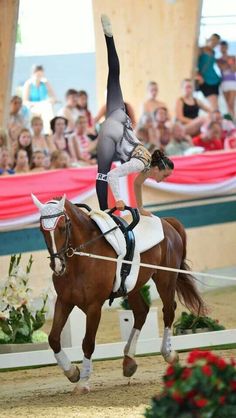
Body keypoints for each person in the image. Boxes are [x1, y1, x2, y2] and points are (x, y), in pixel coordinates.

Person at [96, 15, 173, 212]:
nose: (162, 181)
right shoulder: (141, 165)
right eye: (164, 176)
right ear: (157, 169)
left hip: (120, 116)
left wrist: (140, 208)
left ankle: (109, 38)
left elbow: (137, 184)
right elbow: (115, 175)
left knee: (114, 77)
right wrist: (119, 200)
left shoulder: (146, 165)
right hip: (113, 132)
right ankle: (104, 213)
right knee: (103, 175)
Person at [134, 150, 174, 216]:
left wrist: (141, 209)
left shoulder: (147, 168)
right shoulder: (143, 165)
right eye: (165, 175)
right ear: (156, 169)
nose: (165, 179)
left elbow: (137, 184)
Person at [23, 65, 56, 133]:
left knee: (48, 110)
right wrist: (33, 104)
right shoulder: (29, 84)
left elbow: (53, 97)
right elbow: (25, 101)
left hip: (44, 106)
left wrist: (50, 100)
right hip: (33, 106)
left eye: (41, 74)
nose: (39, 77)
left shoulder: (45, 83)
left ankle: (49, 132)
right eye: (37, 74)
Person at [196, 34, 221, 111]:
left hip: (215, 80)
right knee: (214, 107)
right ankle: (212, 121)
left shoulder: (213, 52)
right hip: (205, 80)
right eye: (213, 40)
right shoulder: (201, 49)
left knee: (215, 106)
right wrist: (198, 75)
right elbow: (194, 63)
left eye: (216, 42)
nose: (214, 43)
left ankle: (214, 121)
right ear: (210, 39)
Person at [217, 41, 236, 119]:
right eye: (221, 47)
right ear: (219, 48)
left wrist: (227, 63)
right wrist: (229, 63)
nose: (223, 49)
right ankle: (231, 122)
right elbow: (222, 68)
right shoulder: (218, 60)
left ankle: (233, 122)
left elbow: (233, 69)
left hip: (232, 82)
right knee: (228, 104)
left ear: (227, 47)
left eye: (224, 47)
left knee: (231, 103)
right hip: (224, 83)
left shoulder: (233, 57)